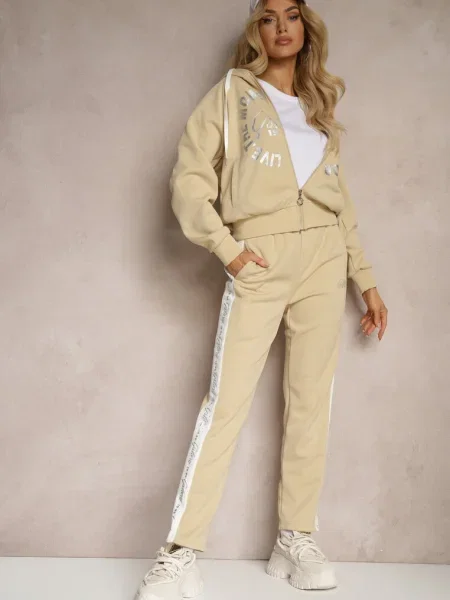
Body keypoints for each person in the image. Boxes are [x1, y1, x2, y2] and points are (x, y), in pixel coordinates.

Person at [134, 0, 388, 598]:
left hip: (324, 259)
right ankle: (180, 553)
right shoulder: (231, 94)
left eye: (292, 15)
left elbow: (341, 202)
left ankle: (294, 537)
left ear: (305, 27)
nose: (282, 27)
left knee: (310, 405)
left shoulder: (319, 106)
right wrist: (227, 249)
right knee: (225, 404)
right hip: (261, 259)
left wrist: (365, 279)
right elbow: (189, 178)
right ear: (257, 30)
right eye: (270, 17)